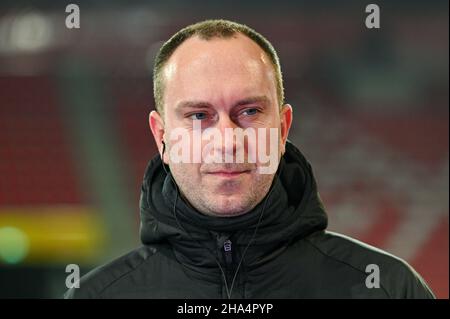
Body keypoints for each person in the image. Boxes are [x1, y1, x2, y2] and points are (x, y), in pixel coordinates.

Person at [65, 19, 434, 299]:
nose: (227, 141)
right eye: (198, 116)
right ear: (162, 137)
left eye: (250, 111)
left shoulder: (389, 288)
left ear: (284, 128)